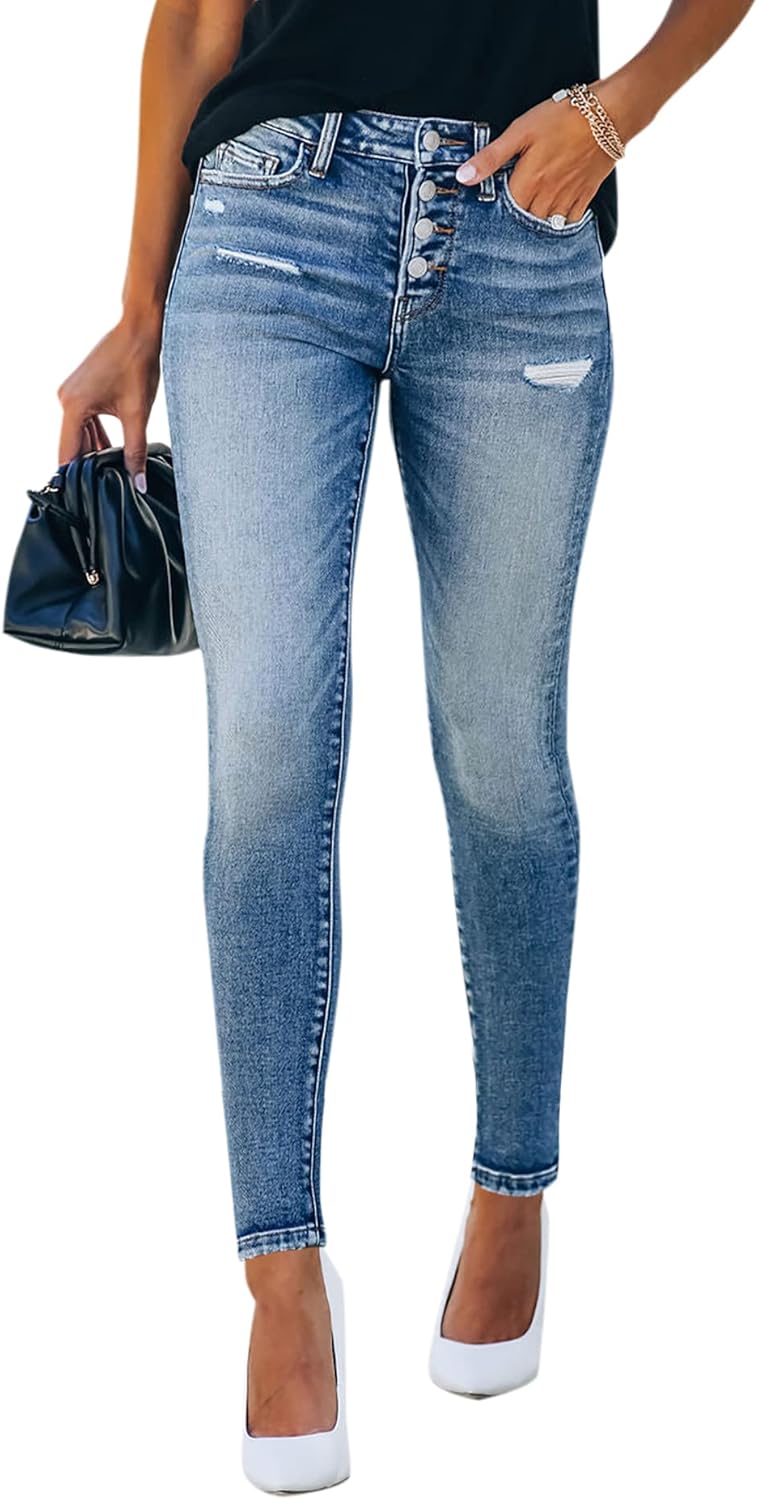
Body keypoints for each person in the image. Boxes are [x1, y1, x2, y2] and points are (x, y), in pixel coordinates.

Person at [55, 1, 755, 1492]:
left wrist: (618, 109)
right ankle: (279, 1270)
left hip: (519, 228)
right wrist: (138, 307)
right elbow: (196, 23)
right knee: (264, 752)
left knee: (503, 756)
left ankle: (512, 1193)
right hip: (268, 231)